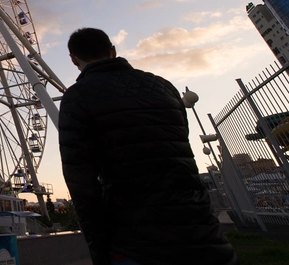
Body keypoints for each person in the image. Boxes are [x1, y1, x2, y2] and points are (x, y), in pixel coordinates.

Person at [58, 28, 238, 265]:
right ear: (113, 50)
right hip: (200, 228)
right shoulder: (164, 87)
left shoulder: (77, 98)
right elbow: (181, 140)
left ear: (73, 59)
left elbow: (82, 183)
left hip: (136, 237)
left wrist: (100, 249)